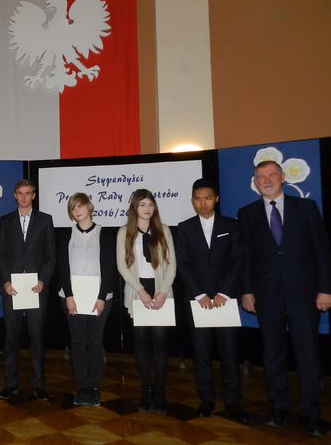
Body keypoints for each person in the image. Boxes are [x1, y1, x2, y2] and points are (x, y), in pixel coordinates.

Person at [238, 160, 331, 437]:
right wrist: (246, 290)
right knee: (273, 354)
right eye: (261, 176)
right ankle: (277, 410)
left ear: (282, 178)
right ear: (255, 183)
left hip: (304, 295)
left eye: (271, 175)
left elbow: (321, 250)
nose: (266, 180)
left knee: (308, 355)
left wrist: (325, 289)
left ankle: (311, 414)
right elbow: (245, 257)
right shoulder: (247, 214)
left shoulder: (306, 208)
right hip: (267, 296)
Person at [175, 179, 248, 423]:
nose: (203, 203)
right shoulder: (184, 228)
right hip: (198, 300)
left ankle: (233, 401)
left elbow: (238, 261)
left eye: (207, 198)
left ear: (216, 199)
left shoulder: (232, 225)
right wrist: (200, 294)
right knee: (201, 352)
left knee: (229, 352)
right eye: (198, 199)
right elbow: (183, 264)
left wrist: (224, 293)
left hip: (226, 299)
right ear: (192, 201)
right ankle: (206, 399)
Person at [0, 179, 56, 401]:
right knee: (11, 338)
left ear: (34, 195)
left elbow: (51, 256)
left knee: (37, 337)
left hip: (35, 289)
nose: (23, 197)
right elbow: (0, 255)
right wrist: (5, 282)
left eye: (28, 193)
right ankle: (11, 383)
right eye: (20, 193)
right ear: (14, 195)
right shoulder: (5, 221)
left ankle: (39, 384)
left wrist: (43, 281)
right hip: (12, 289)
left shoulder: (45, 220)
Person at [116, 189, 175, 415]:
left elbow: (172, 264)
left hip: (161, 291)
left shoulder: (163, 230)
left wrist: (162, 291)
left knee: (160, 342)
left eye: (150, 204)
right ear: (134, 208)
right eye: (142, 204)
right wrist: (140, 291)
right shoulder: (124, 232)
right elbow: (122, 266)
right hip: (137, 291)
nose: (147, 208)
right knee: (141, 343)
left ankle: (160, 391)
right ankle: (146, 390)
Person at [56, 193, 116, 407]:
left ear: (89, 206)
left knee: (95, 342)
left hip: (99, 298)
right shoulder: (66, 234)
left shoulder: (104, 233)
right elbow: (63, 267)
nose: (77, 211)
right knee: (79, 342)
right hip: (72, 297)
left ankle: (94, 387)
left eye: (80, 206)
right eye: (73, 208)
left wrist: (101, 298)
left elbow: (109, 268)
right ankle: (82, 386)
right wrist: (69, 296)